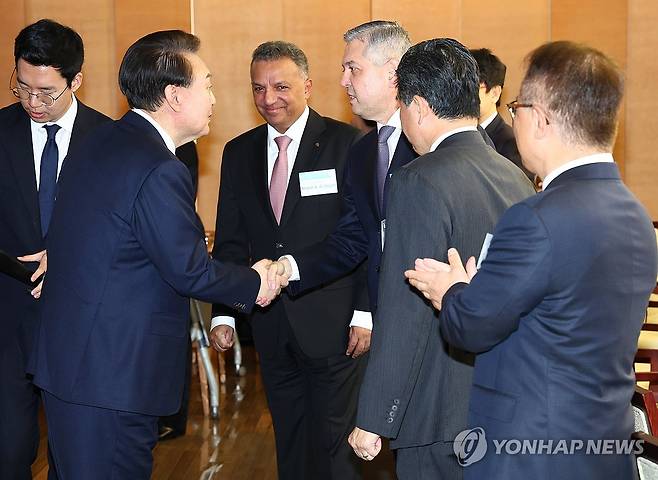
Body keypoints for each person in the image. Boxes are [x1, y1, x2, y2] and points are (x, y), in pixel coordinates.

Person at [27, 30, 283, 479]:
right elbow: (189, 269)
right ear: (173, 96)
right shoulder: (158, 167)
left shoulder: (101, 141)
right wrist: (257, 281)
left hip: (74, 367)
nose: (214, 98)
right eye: (206, 84)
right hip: (111, 379)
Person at [405, 41, 658, 480]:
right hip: (603, 446)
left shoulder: (536, 218)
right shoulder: (634, 213)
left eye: (517, 106)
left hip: (532, 455)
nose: (512, 117)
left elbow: (471, 326)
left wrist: (452, 291)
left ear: (540, 119)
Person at [348, 39, 534, 479]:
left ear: (418, 106)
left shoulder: (418, 180)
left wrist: (374, 416)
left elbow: (404, 308)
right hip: (499, 400)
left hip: (435, 411)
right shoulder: (516, 177)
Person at [208, 41, 363, 480]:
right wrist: (224, 313)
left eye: (280, 86)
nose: (268, 99)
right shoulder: (238, 152)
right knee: (289, 441)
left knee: (336, 450)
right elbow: (232, 242)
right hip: (271, 325)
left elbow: (363, 238)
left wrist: (366, 313)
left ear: (309, 86)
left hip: (334, 324)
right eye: (258, 89)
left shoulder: (347, 144)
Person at [0, 19, 110, 479]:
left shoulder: (109, 141)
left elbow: (122, 233)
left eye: (46, 92)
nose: (32, 102)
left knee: (76, 458)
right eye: (22, 87)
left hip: (80, 319)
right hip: (7, 313)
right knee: (8, 452)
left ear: (76, 80)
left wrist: (67, 257)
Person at [269, 20, 416, 358]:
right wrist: (288, 268)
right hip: (386, 328)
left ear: (392, 72)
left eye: (353, 68)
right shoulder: (363, 151)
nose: (342, 81)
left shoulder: (429, 144)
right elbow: (353, 238)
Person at [470, 48, 531, 178]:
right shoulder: (461, 136)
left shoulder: (511, 143)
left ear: (495, 93)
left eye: (472, 89)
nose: (465, 96)